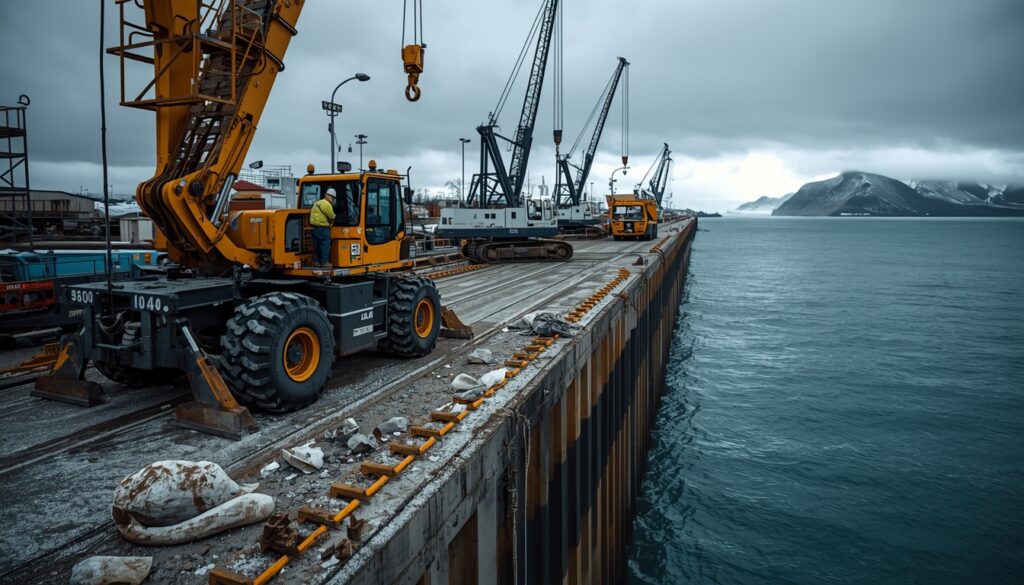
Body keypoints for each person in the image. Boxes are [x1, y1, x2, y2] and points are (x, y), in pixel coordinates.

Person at [310, 187, 336, 267]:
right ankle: (324, 262)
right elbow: (331, 216)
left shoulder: (317, 203)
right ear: (331, 197)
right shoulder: (327, 204)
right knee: (325, 246)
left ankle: (316, 262)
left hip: (314, 228)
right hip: (323, 228)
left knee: (316, 246)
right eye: (333, 198)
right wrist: (334, 216)